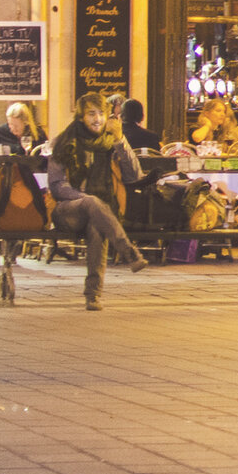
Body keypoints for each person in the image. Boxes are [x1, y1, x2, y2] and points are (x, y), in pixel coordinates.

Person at [46, 92, 146, 311]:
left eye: (101, 113)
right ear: (81, 116)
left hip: (100, 214)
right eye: (91, 114)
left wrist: (120, 141)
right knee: (93, 205)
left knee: (96, 224)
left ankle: (93, 295)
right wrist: (85, 199)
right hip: (67, 210)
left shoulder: (111, 141)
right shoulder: (64, 141)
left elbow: (134, 176)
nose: (97, 119)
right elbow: (56, 185)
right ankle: (128, 250)